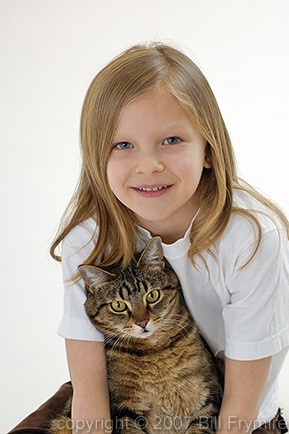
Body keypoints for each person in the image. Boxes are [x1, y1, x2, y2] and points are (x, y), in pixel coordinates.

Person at [49, 42, 289, 434]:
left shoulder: (252, 240)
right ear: (97, 157)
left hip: (229, 415)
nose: (149, 165)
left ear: (209, 150)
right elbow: (89, 389)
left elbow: (239, 409)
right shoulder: (90, 235)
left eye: (172, 140)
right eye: (123, 145)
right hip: (127, 403)